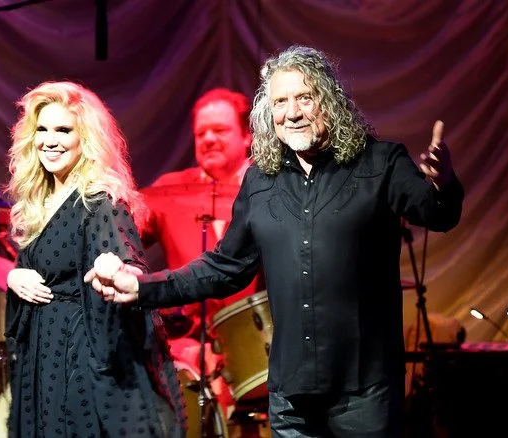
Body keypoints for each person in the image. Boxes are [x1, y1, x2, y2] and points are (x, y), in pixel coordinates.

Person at [87, 45, 465, 437]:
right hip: (291, 395)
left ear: (331, 102)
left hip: (364, 389)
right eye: (280, 101)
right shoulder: (261, 182)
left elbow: (438, 214)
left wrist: (442, 182)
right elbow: (224, 267)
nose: (293, 112)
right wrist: (141, 286)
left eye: (305, 97)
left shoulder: (380, 163)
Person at [3, 80, 185, 437]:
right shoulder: (38, 203)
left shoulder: (99, 201)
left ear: (86, 138)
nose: (49, 140)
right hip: (42, 350)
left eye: (63, 130)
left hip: (79, 357)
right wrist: (14, 277)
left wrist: (118, 268)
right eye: (42, 129)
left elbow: (130, 266)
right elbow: (37, 269)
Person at [138, 88, 264, 417]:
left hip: (261, 343)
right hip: (188, 347)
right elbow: (120, 240)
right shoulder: (171, 191)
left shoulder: (274, 186)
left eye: (219, 130)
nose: (208, 139)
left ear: (247, 135)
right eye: (200, 133)